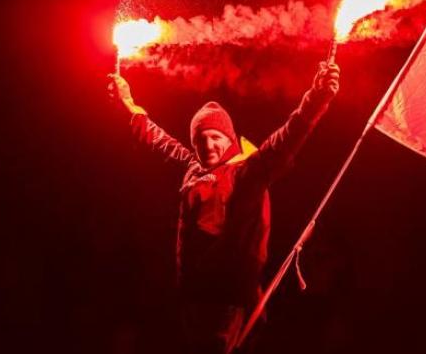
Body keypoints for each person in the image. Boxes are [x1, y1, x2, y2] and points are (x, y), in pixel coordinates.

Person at [107, 62, 340, 353]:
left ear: (230, 140)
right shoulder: (193, 169)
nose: (208, 146)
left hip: (227, 302)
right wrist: (127, 103)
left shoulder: (246, 173)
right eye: (200, 140)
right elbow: (158, 141)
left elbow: (285, 140)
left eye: (215, 137)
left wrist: (316, 98)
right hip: (193, 298)